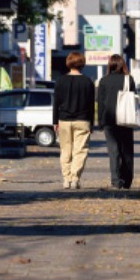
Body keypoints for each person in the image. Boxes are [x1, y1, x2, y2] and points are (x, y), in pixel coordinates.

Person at [53, 51, 95, 189]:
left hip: (64, 120)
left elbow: (56, 103)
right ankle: (75, 178)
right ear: (82, 63)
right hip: (82, 120)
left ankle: (66, 179)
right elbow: (90, 105)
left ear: (68, 63)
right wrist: (92, 123)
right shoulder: (88, 82)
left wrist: (55, 121)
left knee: (65, 150)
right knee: (80, 150)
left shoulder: (60, 80)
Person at [97, 54, 137, 189]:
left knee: (113, 151)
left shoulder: (104, 81)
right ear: (122, 64)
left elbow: (100, 103)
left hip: (109, 120)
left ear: (110, 65)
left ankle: (115, 180)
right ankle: (127, 180)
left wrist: (100, 122)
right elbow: (134, 99)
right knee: (127, 151)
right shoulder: (128, 79)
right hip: (125, 118)